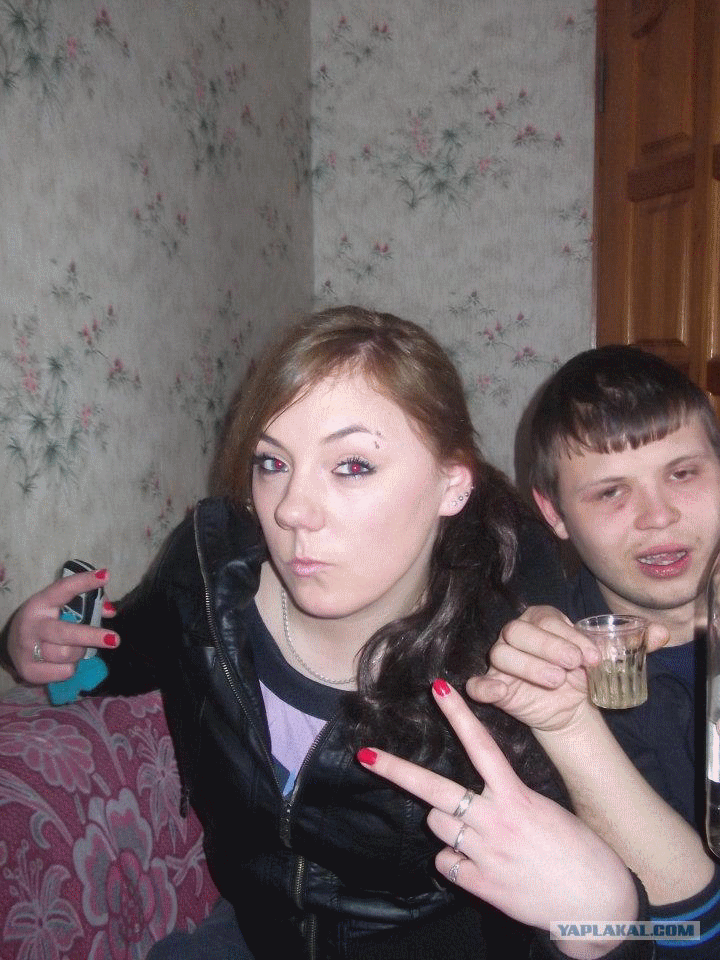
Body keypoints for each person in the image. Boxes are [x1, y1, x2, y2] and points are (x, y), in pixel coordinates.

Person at [1, 309, 651, 960]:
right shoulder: (208, 575)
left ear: (451, 486)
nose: (291, 509)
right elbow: (121, 651)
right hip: (251, 938)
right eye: (271, 462)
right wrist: (35, 645)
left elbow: (603, 909)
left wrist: (604, 923)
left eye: (352, 466)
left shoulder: (505, 663)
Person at [469, 345, 720, 959]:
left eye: (683, 473)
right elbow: (678, 938)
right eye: (610, 492)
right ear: (553, 513)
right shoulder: (533, 671)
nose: (658, 517)